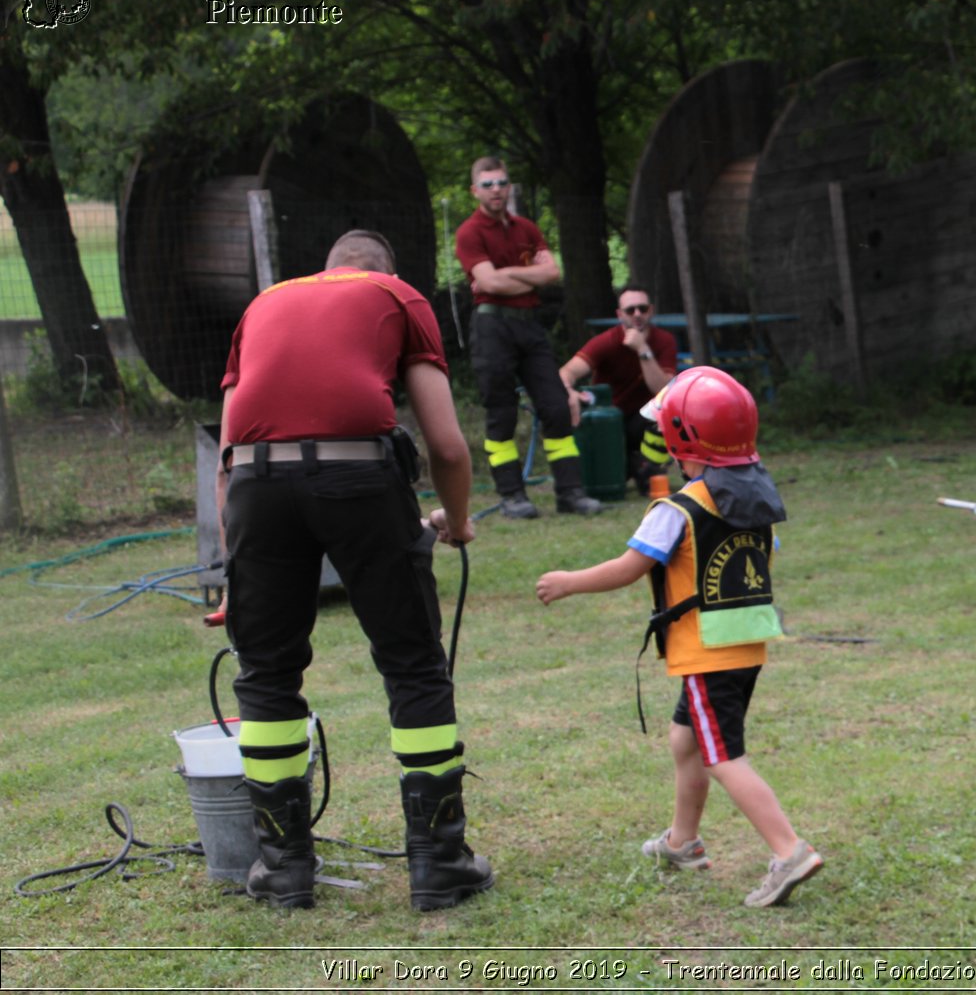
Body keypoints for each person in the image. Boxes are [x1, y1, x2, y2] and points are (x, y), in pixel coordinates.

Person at [216, 230, 493, 911]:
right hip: (358, 475)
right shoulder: (397, 296)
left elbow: (229, 452)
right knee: (412, 663)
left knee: (266, 673)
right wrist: (456, 522)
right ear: (384, 272)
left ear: (327, 269)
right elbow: (448, 446)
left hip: (255, 484)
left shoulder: (265, 303)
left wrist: (234, 569)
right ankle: (438, 861)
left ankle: (282, 867)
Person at [534, 367, 824, 908]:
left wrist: (568, 583)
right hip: (744, 647)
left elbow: (628, 567)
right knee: (686, 739)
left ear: (676, 434)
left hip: (705, 652)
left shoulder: (678, 508)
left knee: (722, 754)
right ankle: (682, 842)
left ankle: (789, 851)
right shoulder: (753, 500)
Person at [455, 156, 602, 518]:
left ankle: (570, 494)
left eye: (501, 183)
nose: (496, 190)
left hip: (529, 325)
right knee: (501, 414)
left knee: (555, 406)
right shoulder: (469, 233)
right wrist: (527, 273)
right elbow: (487, 283)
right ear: (475, 190)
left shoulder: (527, 228)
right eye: (487, 184)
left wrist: (507, 274)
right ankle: (512, 497)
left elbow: (552, 272)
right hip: (492, 328)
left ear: (509, 187)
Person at [558, 288, 678, 495]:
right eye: (630, 310)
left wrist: (643, 350)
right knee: (613, 479)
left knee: (665, 414)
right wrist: (569, 391)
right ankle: (633, 465)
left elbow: (662, 390)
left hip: (645, 419)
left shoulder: (665, 341)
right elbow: (566, 372)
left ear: (651, 311)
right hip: (610, 424)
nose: (637, 314)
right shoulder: (607, 342)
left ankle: (650, 470)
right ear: (620, 315)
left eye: (642, 308)